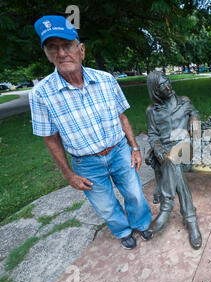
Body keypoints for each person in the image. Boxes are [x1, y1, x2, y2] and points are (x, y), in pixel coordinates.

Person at [29, 15, 152, 250]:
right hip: (86, 164)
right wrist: (69, 175)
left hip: (118, 151)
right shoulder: (40, 94)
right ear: (47, 54)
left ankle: (141, 223)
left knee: (135, 194)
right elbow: (51, 139)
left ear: (81, 49)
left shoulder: (106, 80)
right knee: (105, 205)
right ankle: (123, 231)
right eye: (53, 48)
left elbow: (121, 117)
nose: (62, 53)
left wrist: (134, 148)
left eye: (67, 46)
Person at [145, 71, 202, 249]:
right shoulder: (151, 111)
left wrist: (194, 119)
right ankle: (190, 218)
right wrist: (158, 148)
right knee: (172, 164)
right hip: (166, 152)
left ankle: (166, 208)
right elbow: (153, 134)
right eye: (162, 86)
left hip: (186, 148)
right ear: (155, 90)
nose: (168, 87)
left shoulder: (183, 101)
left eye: (167, 82)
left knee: (172, 160)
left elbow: (196, 114)